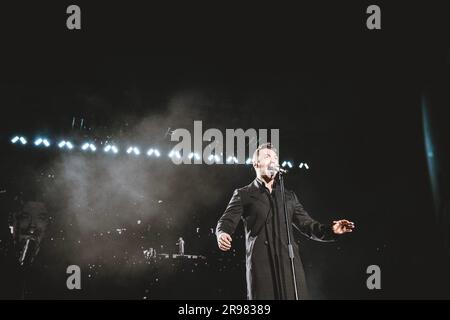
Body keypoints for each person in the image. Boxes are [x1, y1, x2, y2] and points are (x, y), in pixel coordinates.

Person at [216, 143, 355, 300]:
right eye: (267, 156)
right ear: (256, 163)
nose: (273, 160)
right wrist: (223, 233)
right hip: (261, 266)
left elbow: (308, 225)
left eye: (275, 158)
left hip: (289, 264)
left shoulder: (288, 196)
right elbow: (226, 221)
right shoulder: (244, 194)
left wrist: (332, 230)